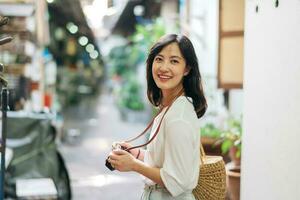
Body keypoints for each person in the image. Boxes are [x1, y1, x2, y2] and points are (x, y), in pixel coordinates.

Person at [107, 34, 207, 200]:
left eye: (174, 61)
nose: (164, 67)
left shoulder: (178, 117)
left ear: (187, 69)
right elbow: (165, 162)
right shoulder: (171, 107)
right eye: (159, 59)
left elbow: (177, 181)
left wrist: (133, 165)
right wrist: (136, 153)